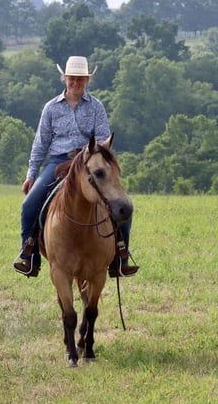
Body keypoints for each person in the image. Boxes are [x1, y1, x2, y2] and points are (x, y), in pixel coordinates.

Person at [13, 56, 139, 278]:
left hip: (89, 162)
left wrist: (91, 155)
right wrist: (31, 174)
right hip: (58, 162)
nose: (76, 82)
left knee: (121, 204)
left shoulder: (96, 106)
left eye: (80, 79)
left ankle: (121, 255)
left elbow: (102, 139)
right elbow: (40, 143)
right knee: (29, 204)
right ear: (65, 79)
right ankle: (29, 254)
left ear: (86, 80)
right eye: (72, 78)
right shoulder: (51, 108)